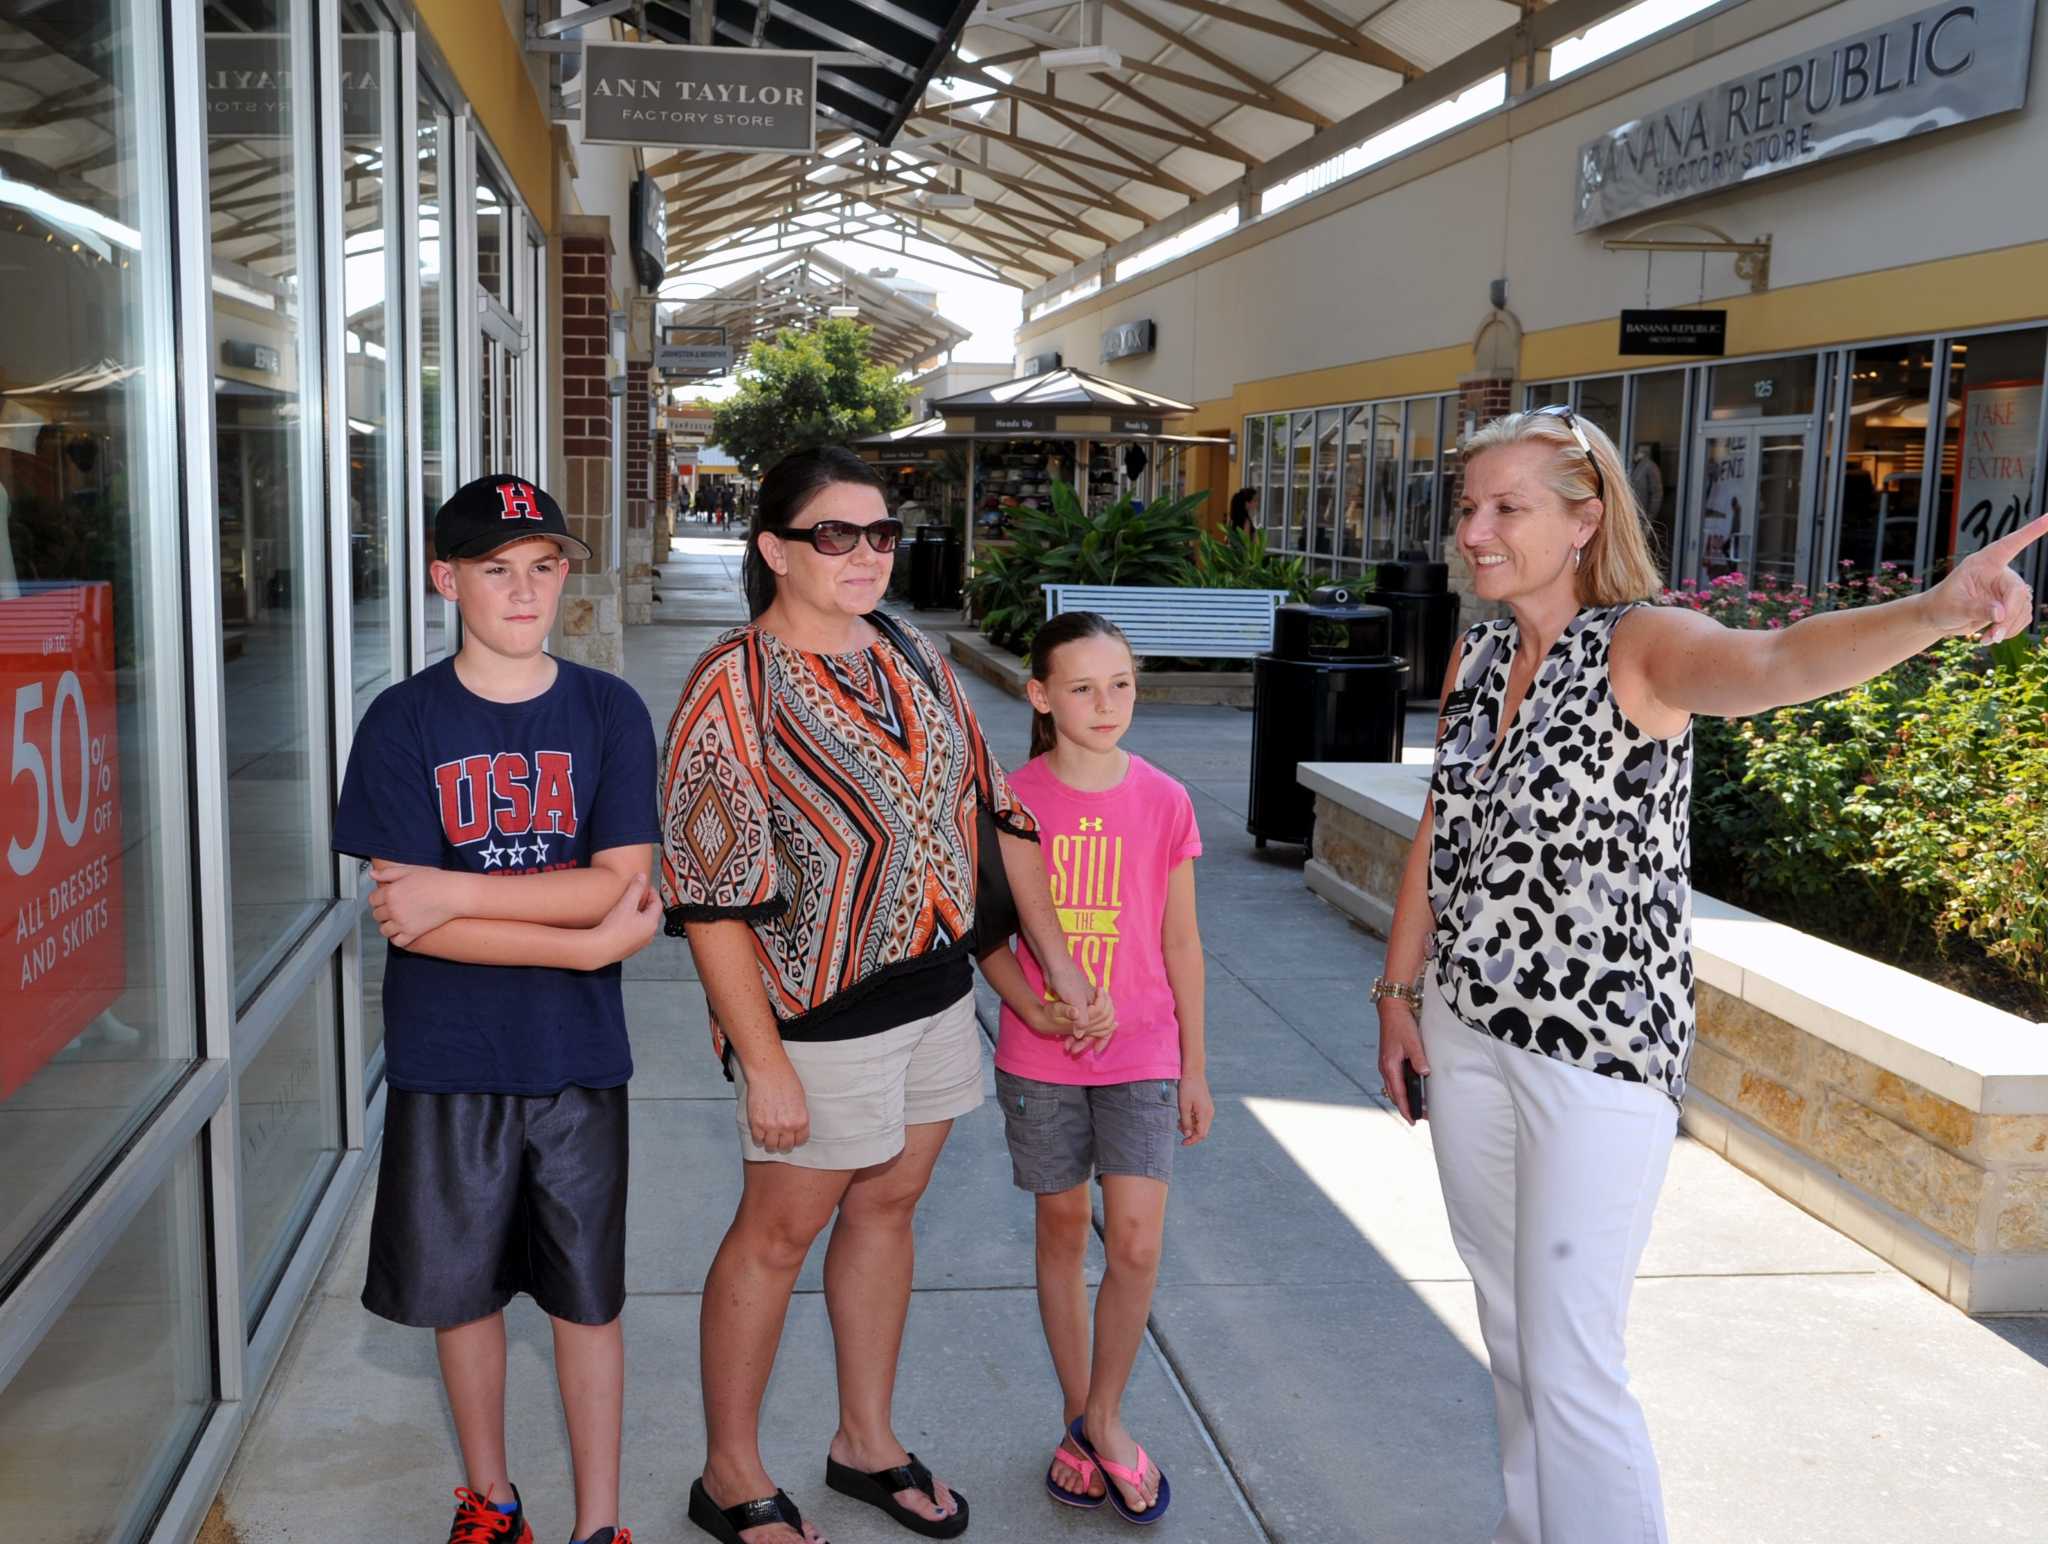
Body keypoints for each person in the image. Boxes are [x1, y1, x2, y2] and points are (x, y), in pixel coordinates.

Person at [1373, 406, 2045, 1544]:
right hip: (1464, 1024)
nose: (1473, 531)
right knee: (1509, 1335)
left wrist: (1934, 610)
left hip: (1595, 1052)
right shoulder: (1480, 647)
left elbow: (1777, 661)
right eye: (1467, 506)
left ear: (1583, 519)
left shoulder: (1641, 641)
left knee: (1572, 1356)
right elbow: (1447, 821)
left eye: (1505, 508)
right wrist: (1399, 995)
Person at [659, 446, 1114, 1544]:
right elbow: (708, 895)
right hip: (813, 1018)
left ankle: (864, 1437)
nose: (863, 552)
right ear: (772, 548)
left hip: (933, 993)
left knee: (887, 1206)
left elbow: (994, 819)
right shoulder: (733, 684)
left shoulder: (909, 648)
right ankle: (728, 1472)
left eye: (879, 532)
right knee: (776, 1234)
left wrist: (1053, 968)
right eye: (834, 533)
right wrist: (760, 1055)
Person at [334, 473, 664, 1544]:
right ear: (445, 578)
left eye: (542, 566)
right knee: (461, 1293)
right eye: (494, 569)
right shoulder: (403, 720)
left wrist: (465, 887)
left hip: (575, 1056)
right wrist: (593, 938)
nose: (524, 592)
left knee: (586, 1300)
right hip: (451, 1052)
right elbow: (410, 921)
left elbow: (608, 878)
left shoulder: (607, 709)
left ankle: (600, 1521)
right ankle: (492, 1493)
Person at [977, 611, 1213, 1526]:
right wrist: (1031, 1003)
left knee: (1139, 1241)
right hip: (1041, 1055)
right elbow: (984, 933)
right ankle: (1080, 1421)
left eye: (1119, 684)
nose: (1104, 703)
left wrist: (1197, 1064)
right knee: (1064, 1230)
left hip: (1144, 1051)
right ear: (1040, 696)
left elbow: (1182, 941)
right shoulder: (1011, 801)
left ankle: (1106, 1421)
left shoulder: (1165, 799)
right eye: (1081, 687)